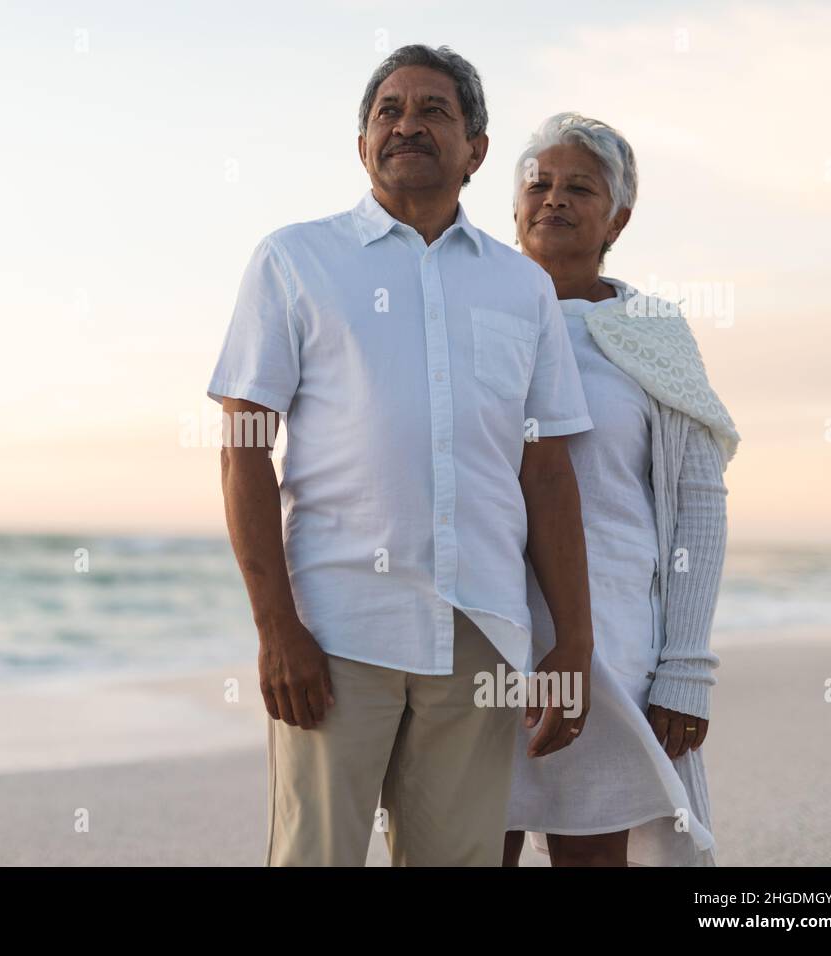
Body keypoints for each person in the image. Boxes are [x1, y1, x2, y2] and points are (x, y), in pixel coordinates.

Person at [208, 45, 596, 866]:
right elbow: (244, 449)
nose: (407, 125)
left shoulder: (520, 287)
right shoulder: (294, 261)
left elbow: (548, 471)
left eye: (433, 112)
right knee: (315, 855)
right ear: (362, 144)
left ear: (477, 150)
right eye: (389, 110)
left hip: (480, 631)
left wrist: (575, 642)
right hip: (337, 630)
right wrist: (278, 630)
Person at [502, 112, 741, 867]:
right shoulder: (476, 315)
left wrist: (686, 669)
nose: (554, 198)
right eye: (538, 183)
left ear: (619, 217)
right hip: (484, 634)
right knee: (469, 843)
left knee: (594, 852)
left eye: (581, 186)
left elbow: (699, 507)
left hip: (606, 643)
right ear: (513, 205)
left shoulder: (652, 331)